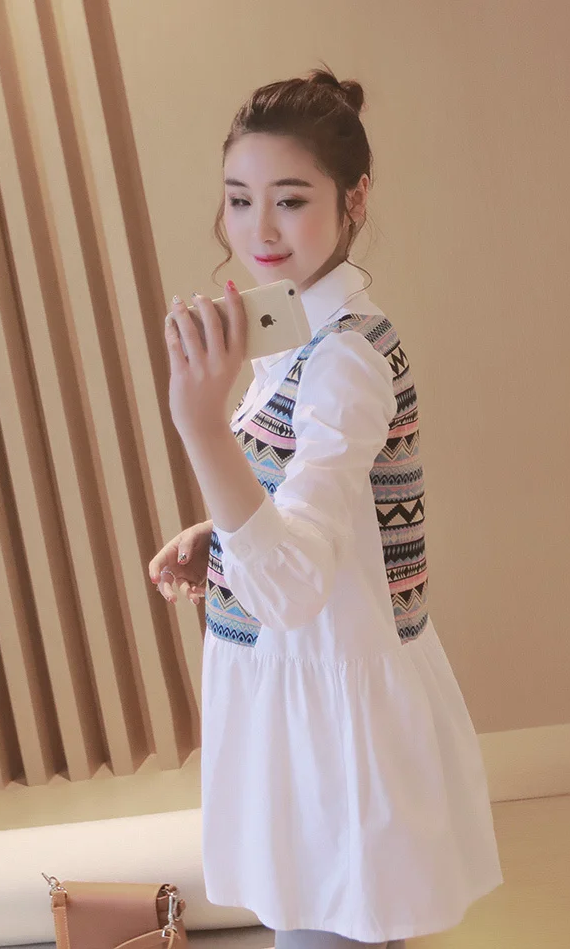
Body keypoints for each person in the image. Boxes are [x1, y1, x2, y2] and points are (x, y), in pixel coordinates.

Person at [149, 66, 503, 949]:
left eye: (291, 200)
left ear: (355, 199)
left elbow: (293, 586)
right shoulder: (290, 335)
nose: (259, 229)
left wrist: (201, 427)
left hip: (334, 725)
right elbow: (314, 515)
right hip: (297, 704)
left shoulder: (345, 360)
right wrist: (215, 538)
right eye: (239, 199)